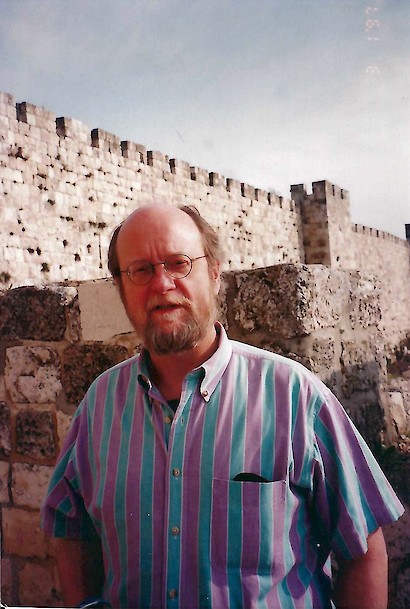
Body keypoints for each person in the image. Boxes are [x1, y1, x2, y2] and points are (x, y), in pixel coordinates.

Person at [41, 202, 404, 609]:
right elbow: (68, 525)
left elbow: (362, 545)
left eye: (179, 263)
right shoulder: (100, 407)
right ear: (121, 289)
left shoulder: (294, 396)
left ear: (214, 273)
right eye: (140, 270)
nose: (161, 284)